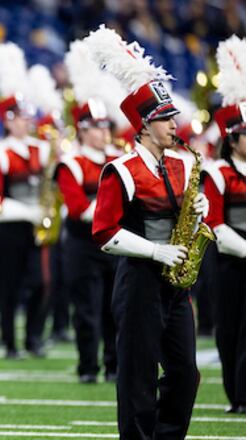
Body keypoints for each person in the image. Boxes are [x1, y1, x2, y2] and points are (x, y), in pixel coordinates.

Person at [87, 25, 206, 438]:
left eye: (173, 116)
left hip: (176, 284)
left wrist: (201, 211)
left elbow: (187, 215)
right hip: (138, 280)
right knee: (137, 374)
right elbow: (103, 232)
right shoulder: (121, 170)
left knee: (186, 373)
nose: (175, 124)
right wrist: (155, 253)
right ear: (143, 126)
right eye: (165, 118)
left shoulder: (184, 164)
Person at [0, 42, 51, 359]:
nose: (26, 121)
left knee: (41, 283)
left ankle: (34, 337)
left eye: (27, 115)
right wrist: (31, 210)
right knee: (9, 286)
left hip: (37, 224)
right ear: (7, 119)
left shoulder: (41, 149)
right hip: (11, 225)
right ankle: (12, 342)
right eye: (19, 116)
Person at [55, 98, 118, 383]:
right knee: (86, 308)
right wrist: (117, 211)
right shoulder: (71, 163)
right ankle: (88, 366)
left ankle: (114, 365)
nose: (103, 132)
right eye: (96, 126)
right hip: (83, 245)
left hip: (116, 242)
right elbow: (78, 208)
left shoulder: (118, 158)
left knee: (115, 307)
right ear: (81, 130)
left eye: (105, 125)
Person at [203, 35, 246, 414]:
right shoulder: (217, 172)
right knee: (231, 327)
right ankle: (237, 394)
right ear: (233, 139)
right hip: (231, 259)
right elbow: (214, 223)